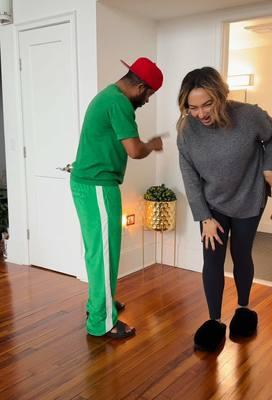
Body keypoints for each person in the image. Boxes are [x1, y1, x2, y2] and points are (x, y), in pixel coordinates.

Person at [176, 67, 272, 352]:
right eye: (193, 107)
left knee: (240, 253)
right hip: (212, 204)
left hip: (249, 196)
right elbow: (189, 176)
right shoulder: (187, 130)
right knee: (212, 259)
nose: (201, 113)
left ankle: (244, 309)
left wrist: (271, 167)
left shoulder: (249, 115)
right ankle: (214, 321)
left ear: (220, 96)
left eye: (207, 103)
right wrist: (204, 217)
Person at [70, 57, 164, 339]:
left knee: (100, 251)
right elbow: (134, 150)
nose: (146, 101)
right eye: (148, 94)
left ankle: (101, 304)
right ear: (140, 86)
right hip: (97, 186)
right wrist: (153, 144)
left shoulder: (108, 96)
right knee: (104, 253)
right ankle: (102, 322)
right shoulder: (120, 103)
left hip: (90, 184)